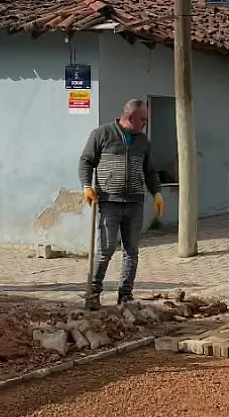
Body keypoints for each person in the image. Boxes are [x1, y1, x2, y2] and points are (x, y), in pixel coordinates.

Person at [78, 98, 165, 310]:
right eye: (142, 119)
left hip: (135, 203)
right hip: (109, 202)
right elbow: (86, 161)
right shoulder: (102, 134)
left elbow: (150, 170)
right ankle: (94, 294)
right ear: (129, 117)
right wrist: (86, 187)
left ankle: (125, 296)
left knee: (131, 251)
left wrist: (157, 193)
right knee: (105, 249)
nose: (145, 122)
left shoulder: (143, 141)